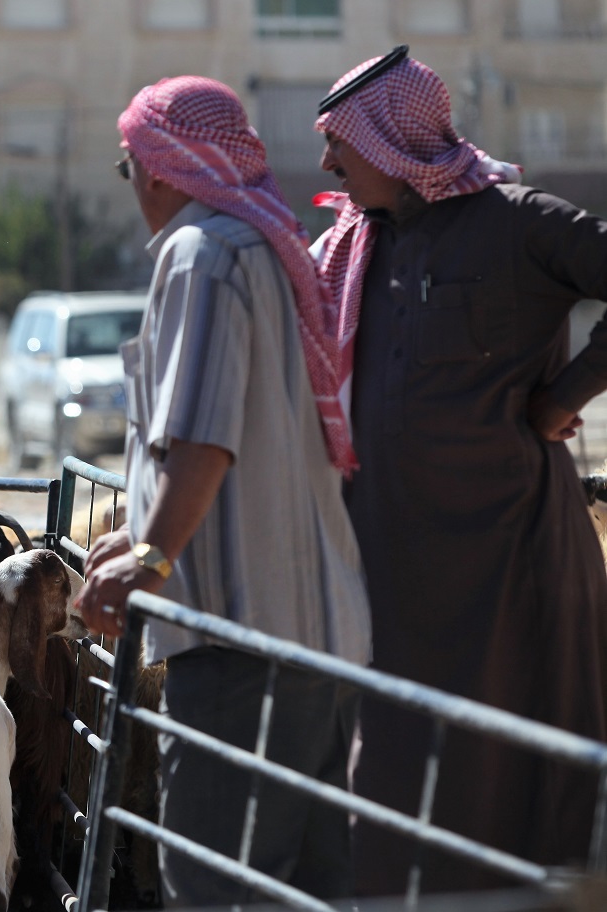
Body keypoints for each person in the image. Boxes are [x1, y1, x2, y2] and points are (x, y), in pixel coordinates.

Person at [312, 47, 607, 894]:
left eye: (342, 143)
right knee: (392, 771)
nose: (329, 163)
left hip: (509, 562)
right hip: (391, 564)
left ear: (395, 139)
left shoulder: (518, 221)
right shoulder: (353, 245)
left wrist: (564, 395)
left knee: (513, 763)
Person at [76, 76, 370, 905]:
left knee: (216, 887)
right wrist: (139, 531)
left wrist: (150, 559)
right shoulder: (265, 246)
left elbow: (204, 436)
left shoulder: (200, 253)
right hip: (319, 635)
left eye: (127, 167)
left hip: (240, 645)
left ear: (158, 169)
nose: (132, 186)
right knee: (312, 886)